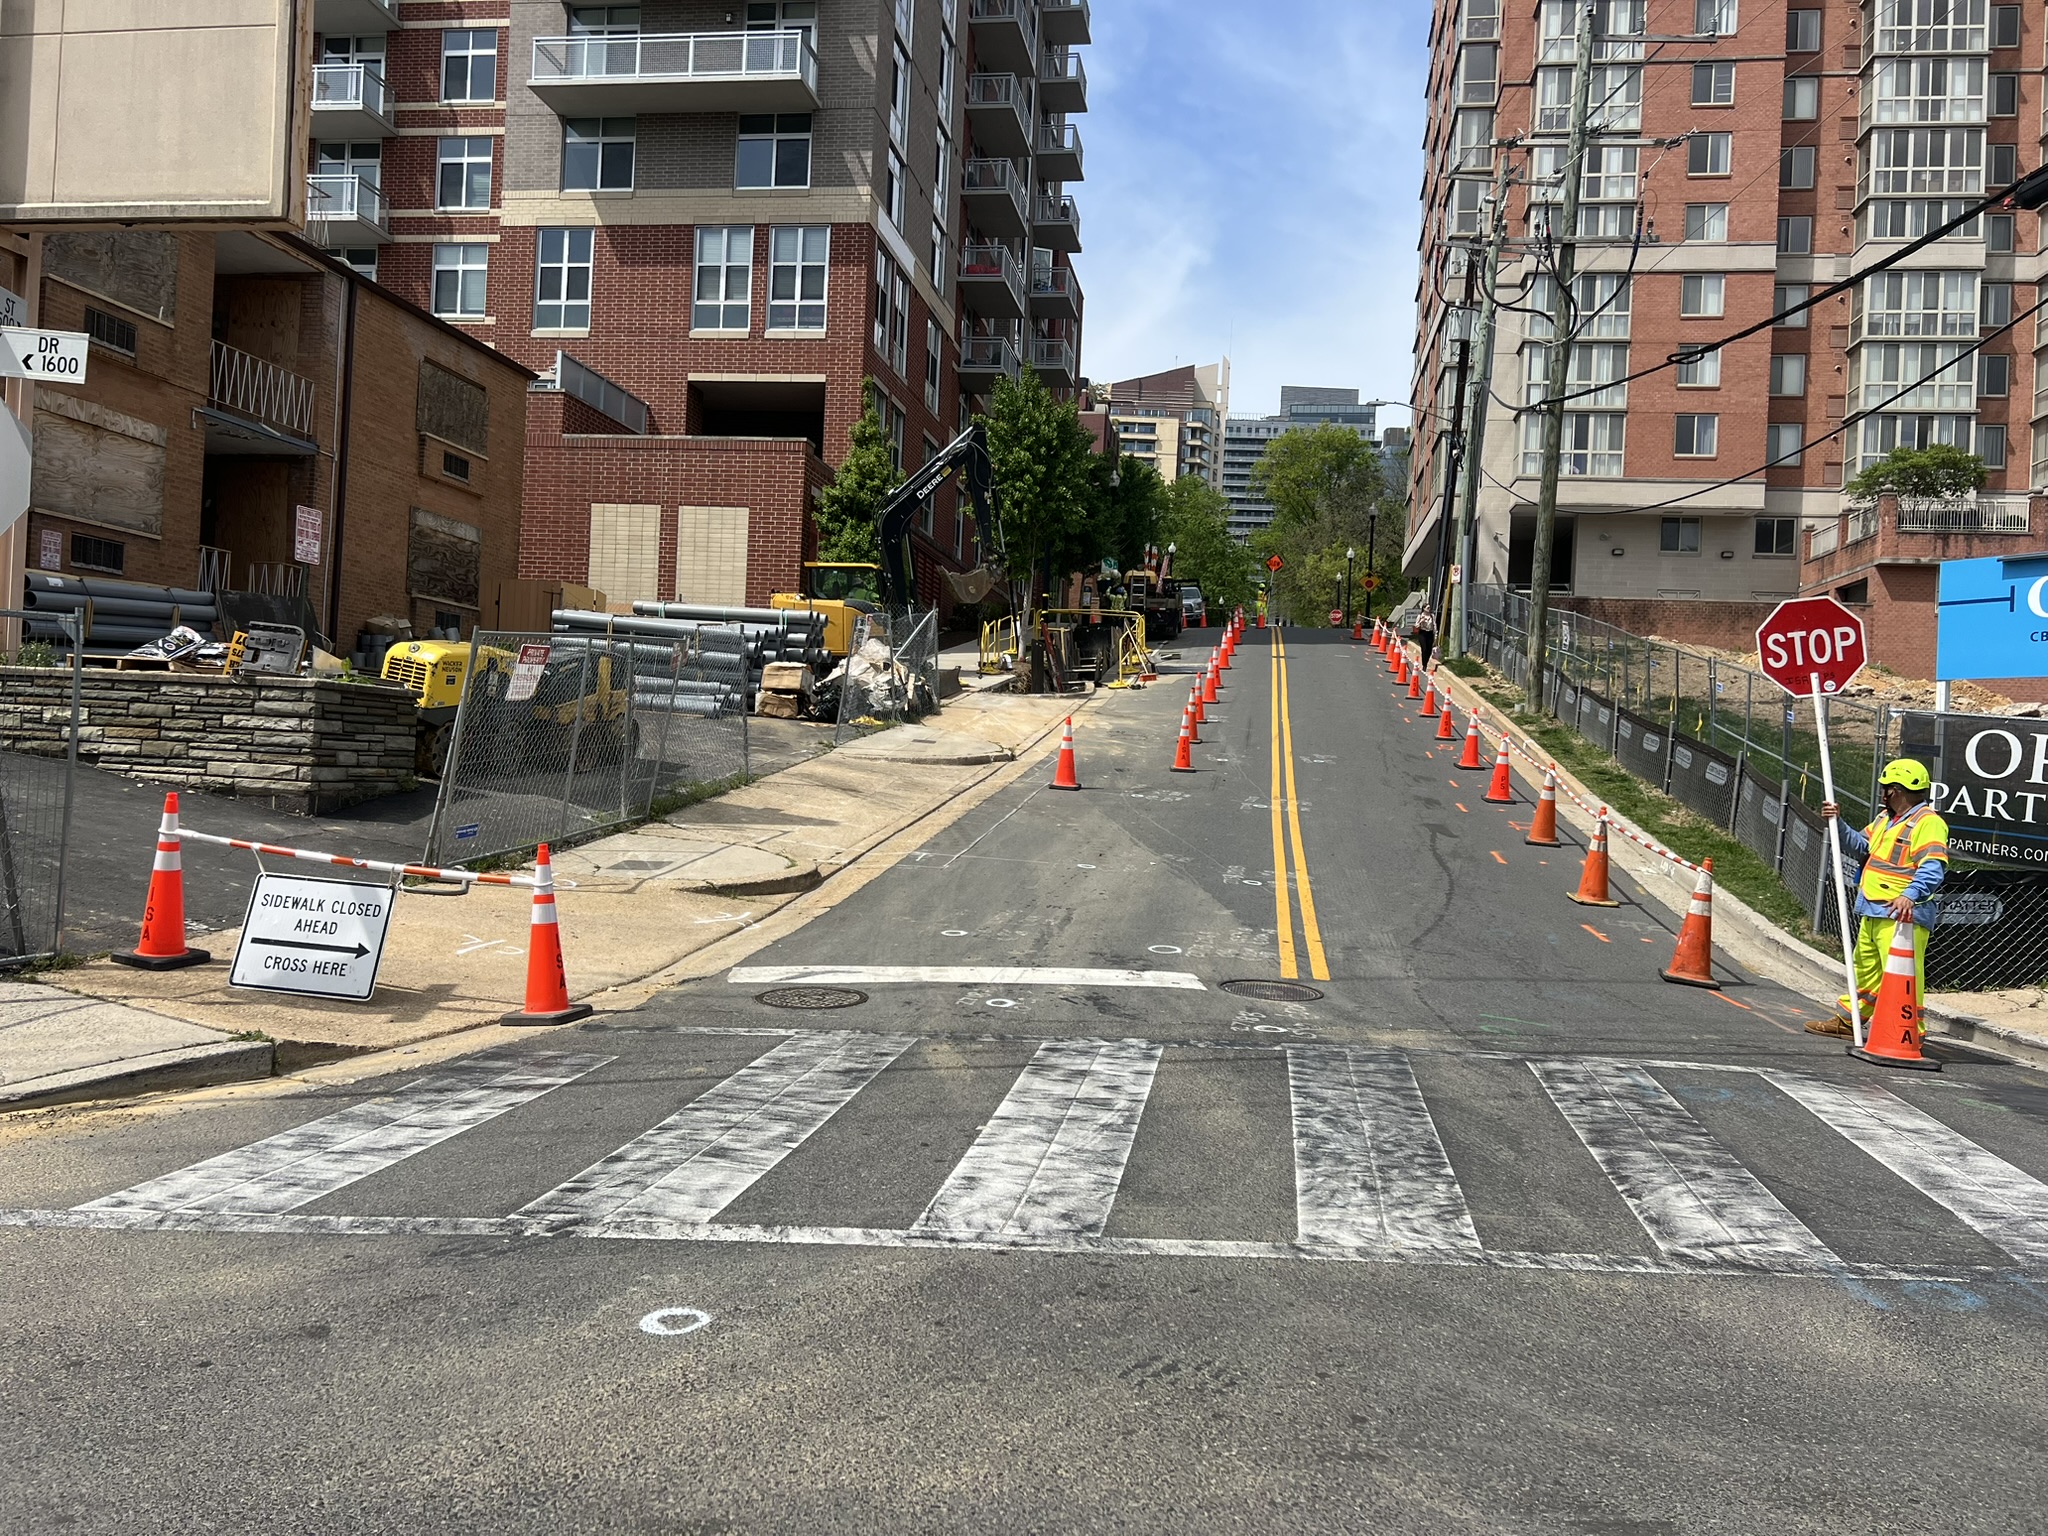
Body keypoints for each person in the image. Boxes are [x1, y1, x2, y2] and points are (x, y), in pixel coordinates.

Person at [1813, 758, 1949, 1039]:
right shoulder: (1885, 819)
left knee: (1903, 977)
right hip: (1874, 908)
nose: (1882, 792)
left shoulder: (1928, 823)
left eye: (1885, 787)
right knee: (1866, 969)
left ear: (1896, 790)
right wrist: (1836, 823)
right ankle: (1850, 1020)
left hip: (1902, 914)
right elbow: (1861, 846)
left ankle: (1908, 1031)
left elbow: (1933, 866)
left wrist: (1909, 896)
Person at [1412, 604, 1438, 672]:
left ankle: (1426, 662)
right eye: (1427, 608)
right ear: (1424, 608)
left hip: (1430, 633)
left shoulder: (1432, 616)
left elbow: (1434, 625)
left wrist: (1435, 635)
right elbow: (1416, 626)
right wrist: (1421, 621)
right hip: (1423, 633)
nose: (1429, 609)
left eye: (1429, 608)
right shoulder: (1420, 616)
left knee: (1429, 650)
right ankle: (1424, 665)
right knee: (1424, 648)